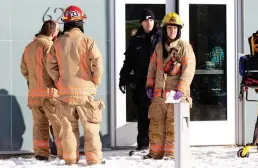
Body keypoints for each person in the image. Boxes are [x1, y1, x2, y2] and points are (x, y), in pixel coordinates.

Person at [46, 5, 105, 165]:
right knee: (91, 129)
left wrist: (59, 81)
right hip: (85, 92)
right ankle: (93, 161)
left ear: (66, 23)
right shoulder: (87, 40)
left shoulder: (57, 42)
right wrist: (95, 81)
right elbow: (98, 64)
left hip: (65, 93)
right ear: (80, 22)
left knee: (69, 129)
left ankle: (70, 160)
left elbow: (50, 66)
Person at [143, 12, 196, 160]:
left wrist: (181, 90)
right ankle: (155, 153)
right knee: (156, 125)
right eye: (169, 28)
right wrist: (149, 84)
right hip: (159, 96)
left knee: (174, 126)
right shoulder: (159, 47)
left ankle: (172, 154)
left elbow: (189, 70)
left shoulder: (185, 47)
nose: (171, 31)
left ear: (178, 30)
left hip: (176, 96)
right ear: (165, 29)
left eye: (174, 28)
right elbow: (152, 67)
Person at [119, 9, 162, 151]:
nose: (148, 23)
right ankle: (143, 145)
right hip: (142, 82)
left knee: (158, 114)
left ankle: (159, 146)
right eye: (145, 20)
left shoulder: (161, 37)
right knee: (143, 114)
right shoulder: (136, 39)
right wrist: (123, 77)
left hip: (159, 82)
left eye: (151, 20)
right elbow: (129, 61)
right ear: (141, 23)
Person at [20, 20, 62, 160]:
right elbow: (54, 69)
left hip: (34, 95)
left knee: (39, 126)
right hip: (50, 93)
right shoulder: (49, 46)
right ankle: (64, 154)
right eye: (58, 31)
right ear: (53, 32)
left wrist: (34, 81)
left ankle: (41, 154)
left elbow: (24, 70)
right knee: (59, 124)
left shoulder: (29, 46)